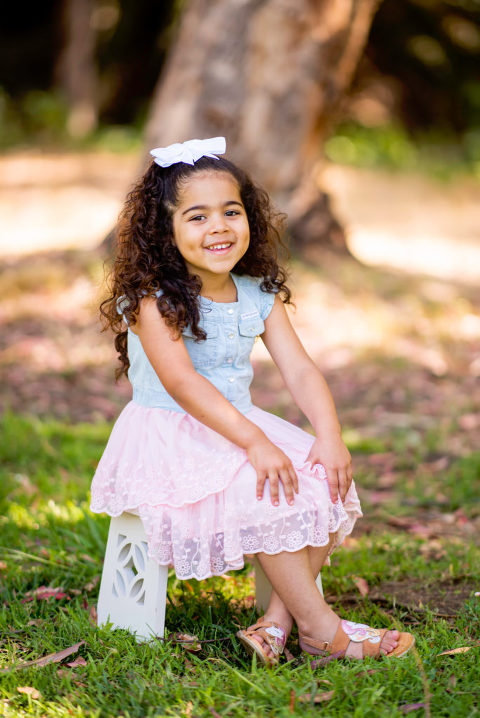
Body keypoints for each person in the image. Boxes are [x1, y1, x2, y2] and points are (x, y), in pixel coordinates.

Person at [91, 137, 414, 665]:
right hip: (172, 432)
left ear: (251, 220)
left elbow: (301, 370)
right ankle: (323, 634)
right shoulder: (156, 299)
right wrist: (256, 442)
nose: (218, 227)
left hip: (240, 426)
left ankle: (274, 625)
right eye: (196, 216)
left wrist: (331, 437)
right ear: (164, 232)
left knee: (324, 478)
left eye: (231, 211)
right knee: (269, 485)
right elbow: (183, 385)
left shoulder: (256, 292)